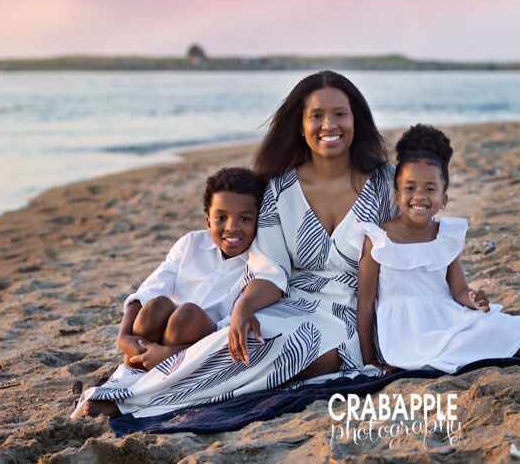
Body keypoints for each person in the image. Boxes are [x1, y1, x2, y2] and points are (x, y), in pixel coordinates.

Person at [76, 71, 395, 419]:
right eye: (316, 115)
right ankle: (129, 393)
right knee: (243, 338)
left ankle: (144, 391)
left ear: (355, 120)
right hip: (295, 301)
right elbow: (271, 271)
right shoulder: (279, 189)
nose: (328, 124)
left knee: (296, 350)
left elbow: (413, 245)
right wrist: (244, 308)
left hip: (355, 309)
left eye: (339, 114)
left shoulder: (386, 184)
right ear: (301, 126)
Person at [352, 124, 520, 374]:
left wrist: (473, 299)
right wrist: (369, 360)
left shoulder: (444, 236)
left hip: (448, 316)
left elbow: (459, 290)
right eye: (410, 188)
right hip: (406, 334)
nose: (419, 196)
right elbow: (364, 304)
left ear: (444, 199)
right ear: (397, 196)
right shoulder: (377, 239)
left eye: (430, 189)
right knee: (453, 351)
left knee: (493, 325)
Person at [78, 166, 265, 417]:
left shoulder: (258, 264)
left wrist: (170, 355)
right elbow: (149, 289)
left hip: (197, 349)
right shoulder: (191, 243)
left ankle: (138, 395)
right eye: (221, 218)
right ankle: (128, 380)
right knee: (156, 305)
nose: (231, 227)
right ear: (207, 220)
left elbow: (226, 331)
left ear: (259, 220)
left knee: (185, 315)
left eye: (244, 218)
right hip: (154, 339)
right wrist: (123, 337)